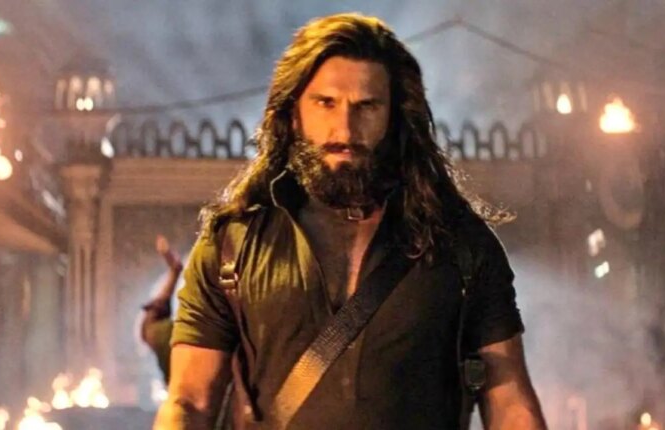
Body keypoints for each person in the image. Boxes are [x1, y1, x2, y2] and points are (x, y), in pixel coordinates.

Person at [155, 13, 546, 430]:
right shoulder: (232, 248)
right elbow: (190, 402)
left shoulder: (460, 246)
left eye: (367, 106)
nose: (344, 128)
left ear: (395, 117)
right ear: (292, 113)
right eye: (325, 103)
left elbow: (510, 405)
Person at [141, 234, 183, 385]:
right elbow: (176, 269)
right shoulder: (162, 331)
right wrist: (166, 253)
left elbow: (176, 268)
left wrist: (166, 253)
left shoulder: (156, 331)